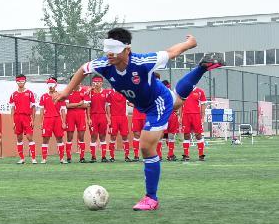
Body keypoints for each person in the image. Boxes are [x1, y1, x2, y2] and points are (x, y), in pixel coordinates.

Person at [55, 28, 222, 210]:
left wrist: (190, 43)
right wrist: (66, 92)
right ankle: (201, 68)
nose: (109, 53)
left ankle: (151, 198)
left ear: (127, 49)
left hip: (157, 102)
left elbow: (172, 52)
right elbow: (82, 69)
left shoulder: (143, 62)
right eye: (107, 48)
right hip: (145, 103)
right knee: (178, 101)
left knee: (146, 145)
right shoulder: (104, 64)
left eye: (115, 49)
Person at [37, 76, 67, 164]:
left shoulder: (60, 96)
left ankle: (62, 159)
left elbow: (63, 110)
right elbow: (42, 110)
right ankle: (44, 159)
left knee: (59, 138)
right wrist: (41, 122)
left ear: (56, 85)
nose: (50, 86)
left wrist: (64, 122)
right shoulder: (44, 96)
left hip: (57, 119)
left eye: (52, 84)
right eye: (49, 84)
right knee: (45, 139)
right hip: (47, 119)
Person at [9, 74, 36, 164]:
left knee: (29, 137)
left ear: (25, 82)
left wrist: (33, 120)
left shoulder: (30, 93)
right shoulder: (13, 94)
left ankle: (33, 158)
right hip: (17, 118)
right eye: (19, 81)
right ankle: (22, 158)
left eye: (22, 81)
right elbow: (12, 108)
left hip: (27, 117)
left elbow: (33, 107)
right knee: (19, 138)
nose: (21, 83)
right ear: (16, 82)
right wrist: (13, 121)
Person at [181, 82, 208, 161]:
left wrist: (202, 117)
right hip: (185, 115)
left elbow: (203, 105)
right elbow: (180, 103)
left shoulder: (200, 91)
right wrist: (180, 116)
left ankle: (201, 155)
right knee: (186, 135)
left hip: (196, 116)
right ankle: (186, 155)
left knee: (198, 135)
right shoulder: (183, 91)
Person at [106, 80, 131, 162]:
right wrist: (109, 117)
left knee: (125, 136)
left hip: (123, 117)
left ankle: (127, 156)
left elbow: (130, 102)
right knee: (113, 136)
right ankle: (111, 156)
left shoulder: (125, 93)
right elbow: (108, 106)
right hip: (114, 117)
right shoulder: (110, 94)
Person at [63, 83, 89, 163]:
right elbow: (67, 106)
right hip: (70, 116)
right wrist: (79, 104)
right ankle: (68, 157)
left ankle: (82, 158)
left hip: (81, 116)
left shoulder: (84, 91)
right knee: (69, 137)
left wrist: (73, 105)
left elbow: (86, 105)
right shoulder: (68, 92)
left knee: (81, 136)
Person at [87, 75, 110, 162]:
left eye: (99, 82)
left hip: (102, 116)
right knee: (93, 136)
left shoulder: (105, 93)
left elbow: (107, 106)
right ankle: (93, 157)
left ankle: (103, 157)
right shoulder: (90, 93)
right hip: (93, 116)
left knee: (102, 136)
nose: (97, 84)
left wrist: (108, 117)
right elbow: (88, 107)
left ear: (102, 83)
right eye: (95, 82)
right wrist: (89, 118)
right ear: (93, 83)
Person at [161, 81, 181, 160]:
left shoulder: (158, 93)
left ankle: (159, 156)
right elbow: (179, 103)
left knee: (161, 136)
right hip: (172, 115)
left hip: (163, 116)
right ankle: (171, 155)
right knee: (170, 136)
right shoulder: (173, 93)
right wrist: (177, 111)